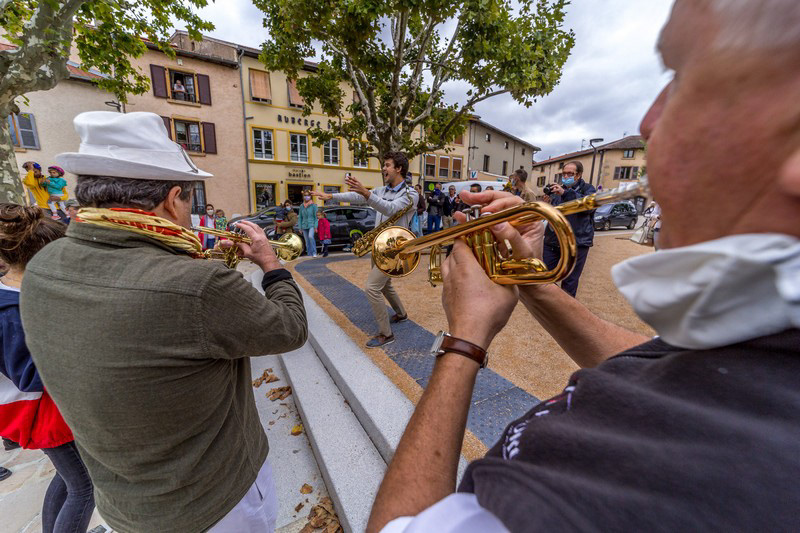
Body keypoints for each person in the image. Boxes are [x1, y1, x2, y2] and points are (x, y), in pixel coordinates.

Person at [367, 1, 800, 530]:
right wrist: (529, 280)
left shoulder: (592, 493)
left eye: (682, 76)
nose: (647, 121)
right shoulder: (768, 335)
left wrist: (465, 340)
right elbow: (670, 376)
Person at [20, 111, 308, 532]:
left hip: (125, 505)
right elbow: (290, 327)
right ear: (173, 198)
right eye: (190, 200)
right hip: (216, 504)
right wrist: (270, 264)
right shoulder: (197, 283)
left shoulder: (43, 266)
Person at [0, 204, 96, 531]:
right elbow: (32, 376)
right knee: (85, 487)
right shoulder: (10, 310)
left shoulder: (19, 294)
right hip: (40, 411)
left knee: (70, 479)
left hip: (45, 409)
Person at [312, 152, 418, 348]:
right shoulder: (382, 189)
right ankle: (401, 314)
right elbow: (358, 196)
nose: (383, 168)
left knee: (372, 287)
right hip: (379, 245)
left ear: (398, 169)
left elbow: (390, 209)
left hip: (395, 248)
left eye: (387, 165)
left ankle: (386, 334)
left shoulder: (411, 195)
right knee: (385, 285)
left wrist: (367, 193)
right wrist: (331, 196)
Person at [542, 161, 596, 297]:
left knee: (570, 281)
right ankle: (551, 307)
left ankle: (566, 312)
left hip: (577, 242)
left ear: (578, 175)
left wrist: (565, 193)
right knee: (546, 276)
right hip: (553, 241)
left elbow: (588, 207)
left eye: (570, 173)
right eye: (564, 173)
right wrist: (547, 204)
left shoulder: (588, 189)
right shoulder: (557, 190)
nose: (565, 176)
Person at [298, 191, 318, 257]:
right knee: (306, 241)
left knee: (311, 237)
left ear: (310, 196)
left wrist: (315, 226)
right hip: (304, 225)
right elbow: (300, 217)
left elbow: (316, 217)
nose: (306, 197)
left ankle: (314, 252)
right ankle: (309, 254)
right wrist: (300, 227)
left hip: (311, 224)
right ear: (303, 197)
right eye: (305, 195)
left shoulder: (313, 206)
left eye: (308, 195)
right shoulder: (301, 206)